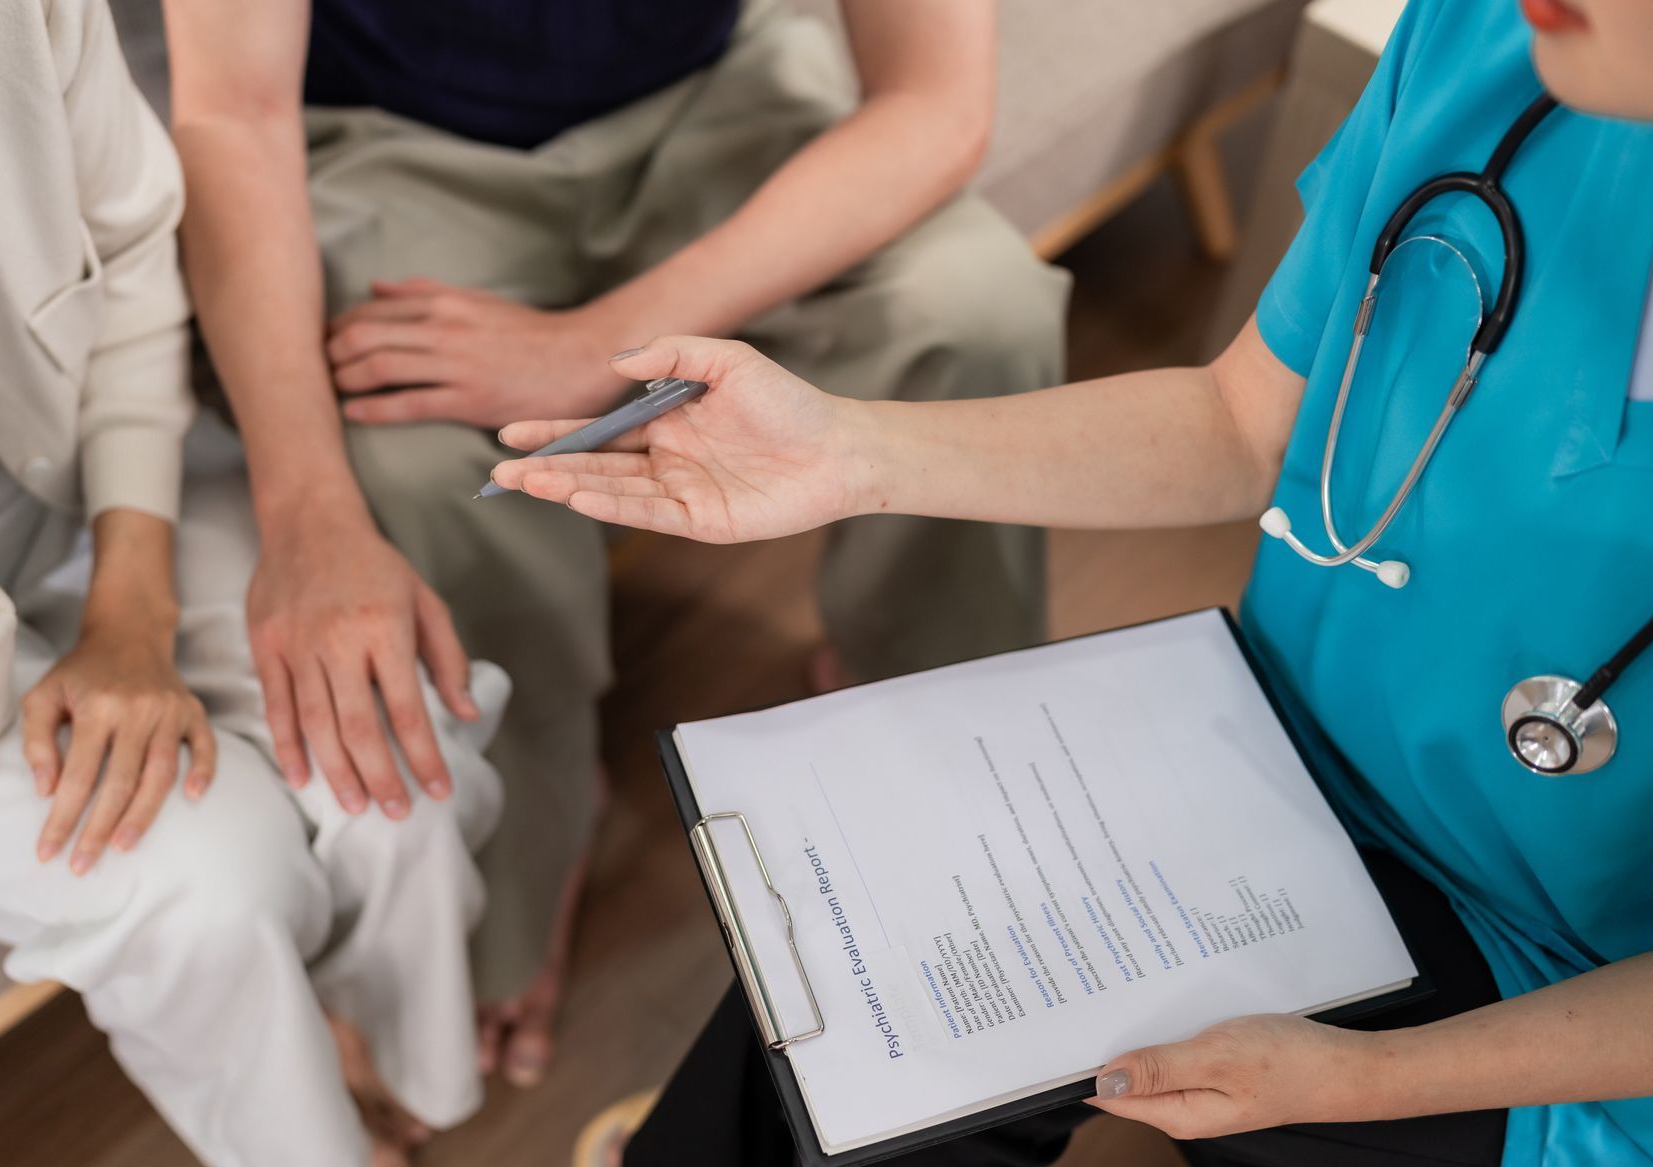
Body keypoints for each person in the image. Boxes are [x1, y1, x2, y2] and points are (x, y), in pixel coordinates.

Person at [493, 0, 1653, 1167]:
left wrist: (1362, 1078)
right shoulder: (1493, 43)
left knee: (953, 1070)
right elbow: (1245, 425)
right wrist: (849, 452)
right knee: (888, 902)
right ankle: (716, 1166)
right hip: (1283, 739)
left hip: (1567, 970)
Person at [158, 0, 1069, 1086]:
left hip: (716, 97)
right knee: (417, 465)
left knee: (981, 309)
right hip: (398, 142)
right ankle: (542, 813)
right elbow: (230, 111)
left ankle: (920, 699)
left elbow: (934, 98)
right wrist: (304, 516)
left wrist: (592, 348)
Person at [0, 0, 505, 1167]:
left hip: (75, 481)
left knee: (394, 762)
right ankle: (298, 1150)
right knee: (211, 875)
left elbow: (128, 254)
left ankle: (411, 1058)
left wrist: (135, 601)